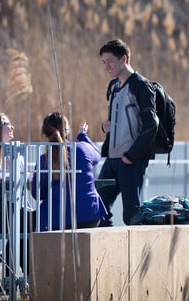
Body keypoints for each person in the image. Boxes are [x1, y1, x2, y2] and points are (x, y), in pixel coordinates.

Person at [98, 39, 159, 226]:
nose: (106, 66)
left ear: (123, 59)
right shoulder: (113, 87)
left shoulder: (141, 85)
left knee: (132, 215)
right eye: (104, 62)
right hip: (112, 161)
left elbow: (152, 125)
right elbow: (117, 118)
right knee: (97, 207)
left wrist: (131, 156)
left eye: (110, 61)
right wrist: (105, 126)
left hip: (130, 161)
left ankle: (138, 254)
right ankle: (106, 253)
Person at [33, 112, 108, 231]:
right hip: (90, 215)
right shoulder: (83, 148)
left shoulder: (44, 159)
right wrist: (83, 136)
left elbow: (37, 193)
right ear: (67, 132)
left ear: (44, 134)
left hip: (57, 218)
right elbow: (97, 156)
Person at [0, 113, 33, 279]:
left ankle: (15, 275)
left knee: (25, 221)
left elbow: (26, 180)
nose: (12, 127)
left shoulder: (16, 155)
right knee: (25, 221)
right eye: (7, 124)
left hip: (15, 212)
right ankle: (27, 275)